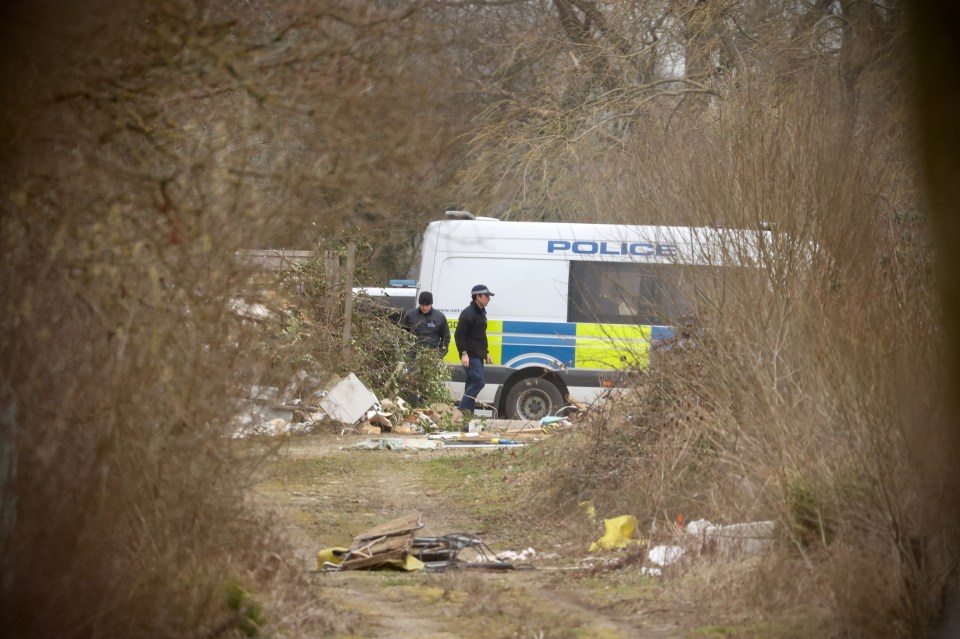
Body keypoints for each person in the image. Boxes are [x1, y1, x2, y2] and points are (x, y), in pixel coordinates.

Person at [454, 284, 494, 415]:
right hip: (470, 356)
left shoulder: (481, 312)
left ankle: (467, 418)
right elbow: (459, 335)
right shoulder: (468, 313)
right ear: (478, 296)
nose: (489, 299)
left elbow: (481, 335)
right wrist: (463, 353)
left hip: (478, 355)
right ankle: (461, 408)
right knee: (479, 382)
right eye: (486, 296)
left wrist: (486, 353)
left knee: (471, 385)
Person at [399, 291, 451, 355]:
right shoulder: (410, 315)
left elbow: (446, 336)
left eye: (427, 305)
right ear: (419, 304)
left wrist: (441, 352)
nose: (425, 308)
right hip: (412, 354)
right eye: (422, 305)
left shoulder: (440, 316)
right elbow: (400, 333)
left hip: (432, 355)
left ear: (431, 304)